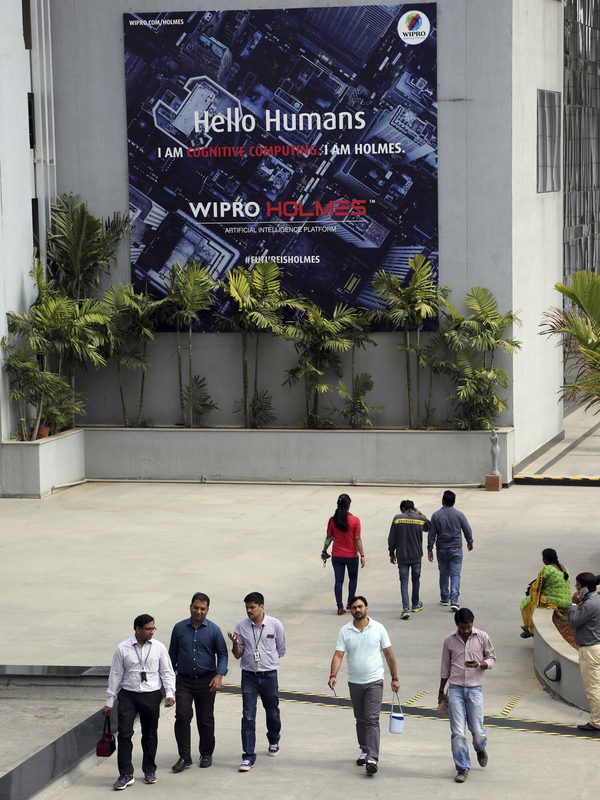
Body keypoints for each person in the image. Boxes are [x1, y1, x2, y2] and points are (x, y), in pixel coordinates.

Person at [328, 596, 400, 775]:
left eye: (360, 606)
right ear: (350, 610)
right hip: (354, 682)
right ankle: (365, 749)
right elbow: (338, 655)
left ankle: (373, 758)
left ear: (367, 607)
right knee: (360, 719)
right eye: (354, 608)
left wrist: (394, 677)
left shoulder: (378, 628)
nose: (357, 610)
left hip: (374, 681)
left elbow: (389, 655)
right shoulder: (345, 630)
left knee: (372, 719)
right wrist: (333, 675)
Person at [103, 614, 176, 790]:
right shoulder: (123, 648)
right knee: (124, 733)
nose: (152, 632)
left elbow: (167, 672)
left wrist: (170, 693)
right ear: (138, 629)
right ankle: (125, 774)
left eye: (153, 628)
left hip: (151, 695)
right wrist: (109, 701)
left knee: (150, 734)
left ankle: (149, 769)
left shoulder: (158, 647)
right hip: (128, 695)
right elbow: (116, 675)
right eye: (148, 629)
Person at [168, 592, 228, 771]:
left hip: (206, 681)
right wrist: (169, 683)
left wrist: (219, 675)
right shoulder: (179, 628)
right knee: (182, 717)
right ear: (190, 607)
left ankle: (206, 753)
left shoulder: (214, 630)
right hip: (184, 681)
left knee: (205, 719)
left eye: (203, 609)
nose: (199, 611)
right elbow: (171, 656)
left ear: (208, 609)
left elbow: (223, 654)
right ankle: (184, 757)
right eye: (196, 607)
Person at [227, 592, 287, 772]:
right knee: (248, 716)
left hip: (269, 676)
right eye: (247, 607)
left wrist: (269, 661)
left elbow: (281, 649)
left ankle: (274, 738)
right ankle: (248, 755)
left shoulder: (275, 625)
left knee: (273, 711)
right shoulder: (241, 626)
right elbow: (237, 655)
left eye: (252, 607)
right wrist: (235, 644)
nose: (249, 610)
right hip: (249, 676)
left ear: (261, 607)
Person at [438, 608, 496, 783]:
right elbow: (445, 668)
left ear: (472, 624)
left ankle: (480, 748)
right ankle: (462, 767)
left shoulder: (482, 637)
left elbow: (492, 658)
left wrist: (480, 664)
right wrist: (441, 691)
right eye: (463, 628)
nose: (466, 631)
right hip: (455, 689)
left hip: (474, 689)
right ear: (457, 624)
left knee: (477, 730)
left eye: (469, 627)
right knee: (458, 732)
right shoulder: (449, 640)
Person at [427, 490, 473, 611]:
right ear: (454, 502)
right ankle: (454, 600)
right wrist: (470, 542)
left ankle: (444, 597)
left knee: (443, 573)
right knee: (455, 574)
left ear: (442, 501)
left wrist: (430, 549)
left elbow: (432, 534)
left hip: (442, 549)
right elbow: (467, 529)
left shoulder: (436, 515)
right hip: (456, 549)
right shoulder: (459, 515)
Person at [321, 494, 365, 615]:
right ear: (349, 505)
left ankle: (340, 607)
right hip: (351, 556)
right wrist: (362, 554)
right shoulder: (355, 520)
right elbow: (357, 538)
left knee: (338, 581)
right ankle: (350, 603)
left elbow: (329, 538)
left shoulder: (332, 520)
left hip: (337, 555)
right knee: (353, 578)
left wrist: (324, 551)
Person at [568, 572, 600, 732]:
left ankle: (597, 722)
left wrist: (573, 604)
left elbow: (573, 621)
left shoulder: (589, 605)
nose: (575, 587)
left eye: (578, 585)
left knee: (593, 687)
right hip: (597, 646)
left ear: (585, 589)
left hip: (590, 650)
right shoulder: (597, 600)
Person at [388, 499, 431, 619]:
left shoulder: (397, 518)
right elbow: (429, 526)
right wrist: (420, 513)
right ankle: (416, 604)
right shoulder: (420, 519)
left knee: (404, 582)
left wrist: (391, 552)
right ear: (413, 507)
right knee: (416, 580)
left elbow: (392, 538)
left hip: (402, 556)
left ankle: (406, 608)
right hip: (416, 556)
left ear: (403, 509)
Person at [520, 548, 571, 638]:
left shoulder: (547, 569)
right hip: (567, 600)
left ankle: (530, 628)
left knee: (527, 602)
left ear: (545, 560)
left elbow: (538, 587)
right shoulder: (563, 567)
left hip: (555, 601)